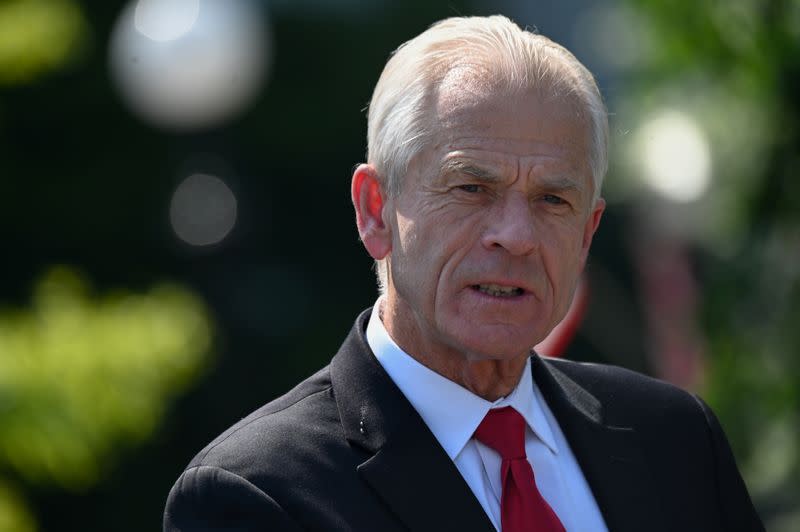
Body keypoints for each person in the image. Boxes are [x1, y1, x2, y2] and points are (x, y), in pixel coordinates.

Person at [164, 15, 763, 532]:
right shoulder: (257, 493)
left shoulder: (676, 442)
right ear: (376, 211)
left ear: (587, 234)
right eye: (472, 187)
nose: (517, 236)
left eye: (553, 200)